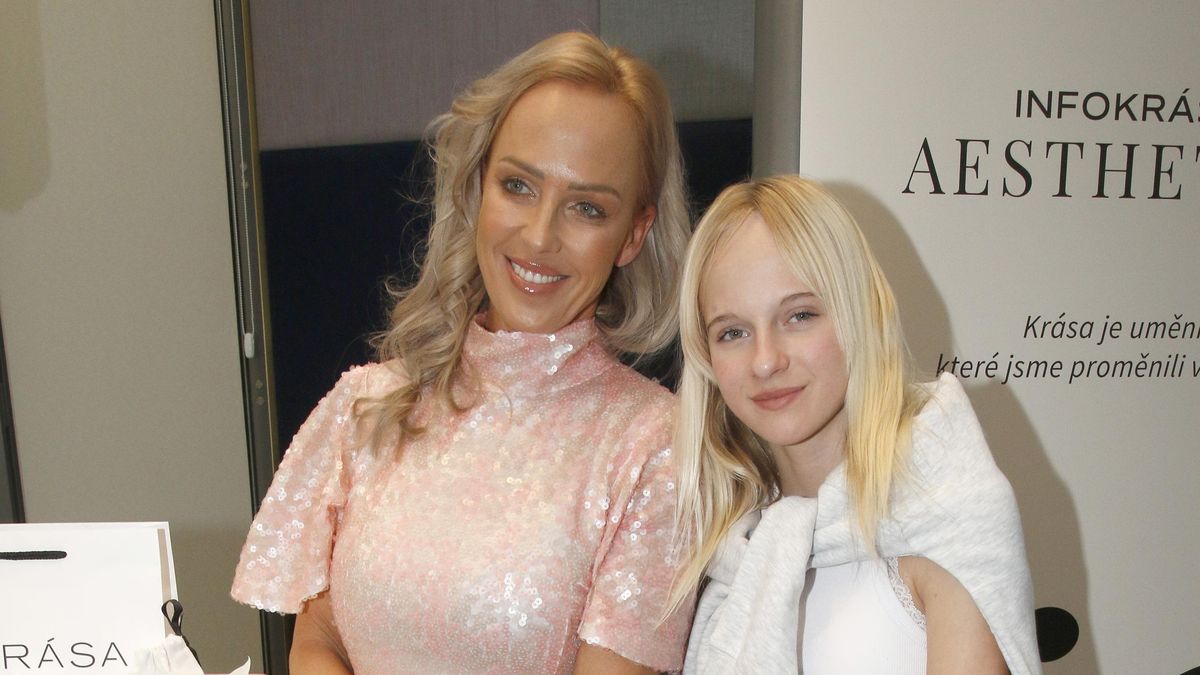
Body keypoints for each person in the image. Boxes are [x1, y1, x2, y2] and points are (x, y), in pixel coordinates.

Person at [231, 32, 693, 674]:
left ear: (633, 234)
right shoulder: (368, 406)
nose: (540, 236)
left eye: (586, 207)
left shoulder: (655, 447)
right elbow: (320, 638)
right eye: (518, 186)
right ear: (478, 188)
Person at [668, 176, 1041, 674]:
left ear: (858, 312)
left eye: (799, 316)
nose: (765, 361)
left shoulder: (944, 509)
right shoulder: (734, 555)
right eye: (733, 332)